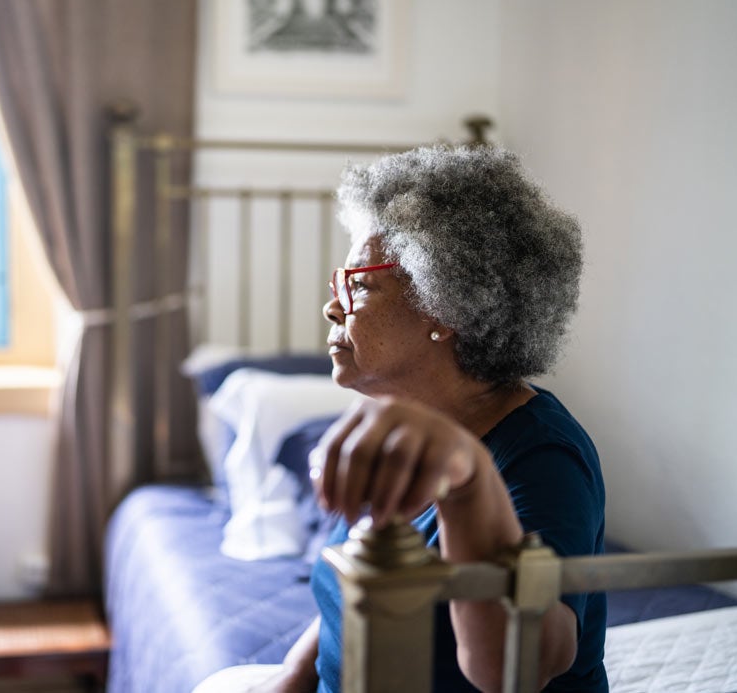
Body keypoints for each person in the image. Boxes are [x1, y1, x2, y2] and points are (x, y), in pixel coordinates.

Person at [193, 144, 606, 692]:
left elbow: (520, 669)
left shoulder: (542, 455)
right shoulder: (389, 425)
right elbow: (354, 591)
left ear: (446, 306)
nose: (332, 305)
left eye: (360, 284)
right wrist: (291, 679)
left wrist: (467, 479)